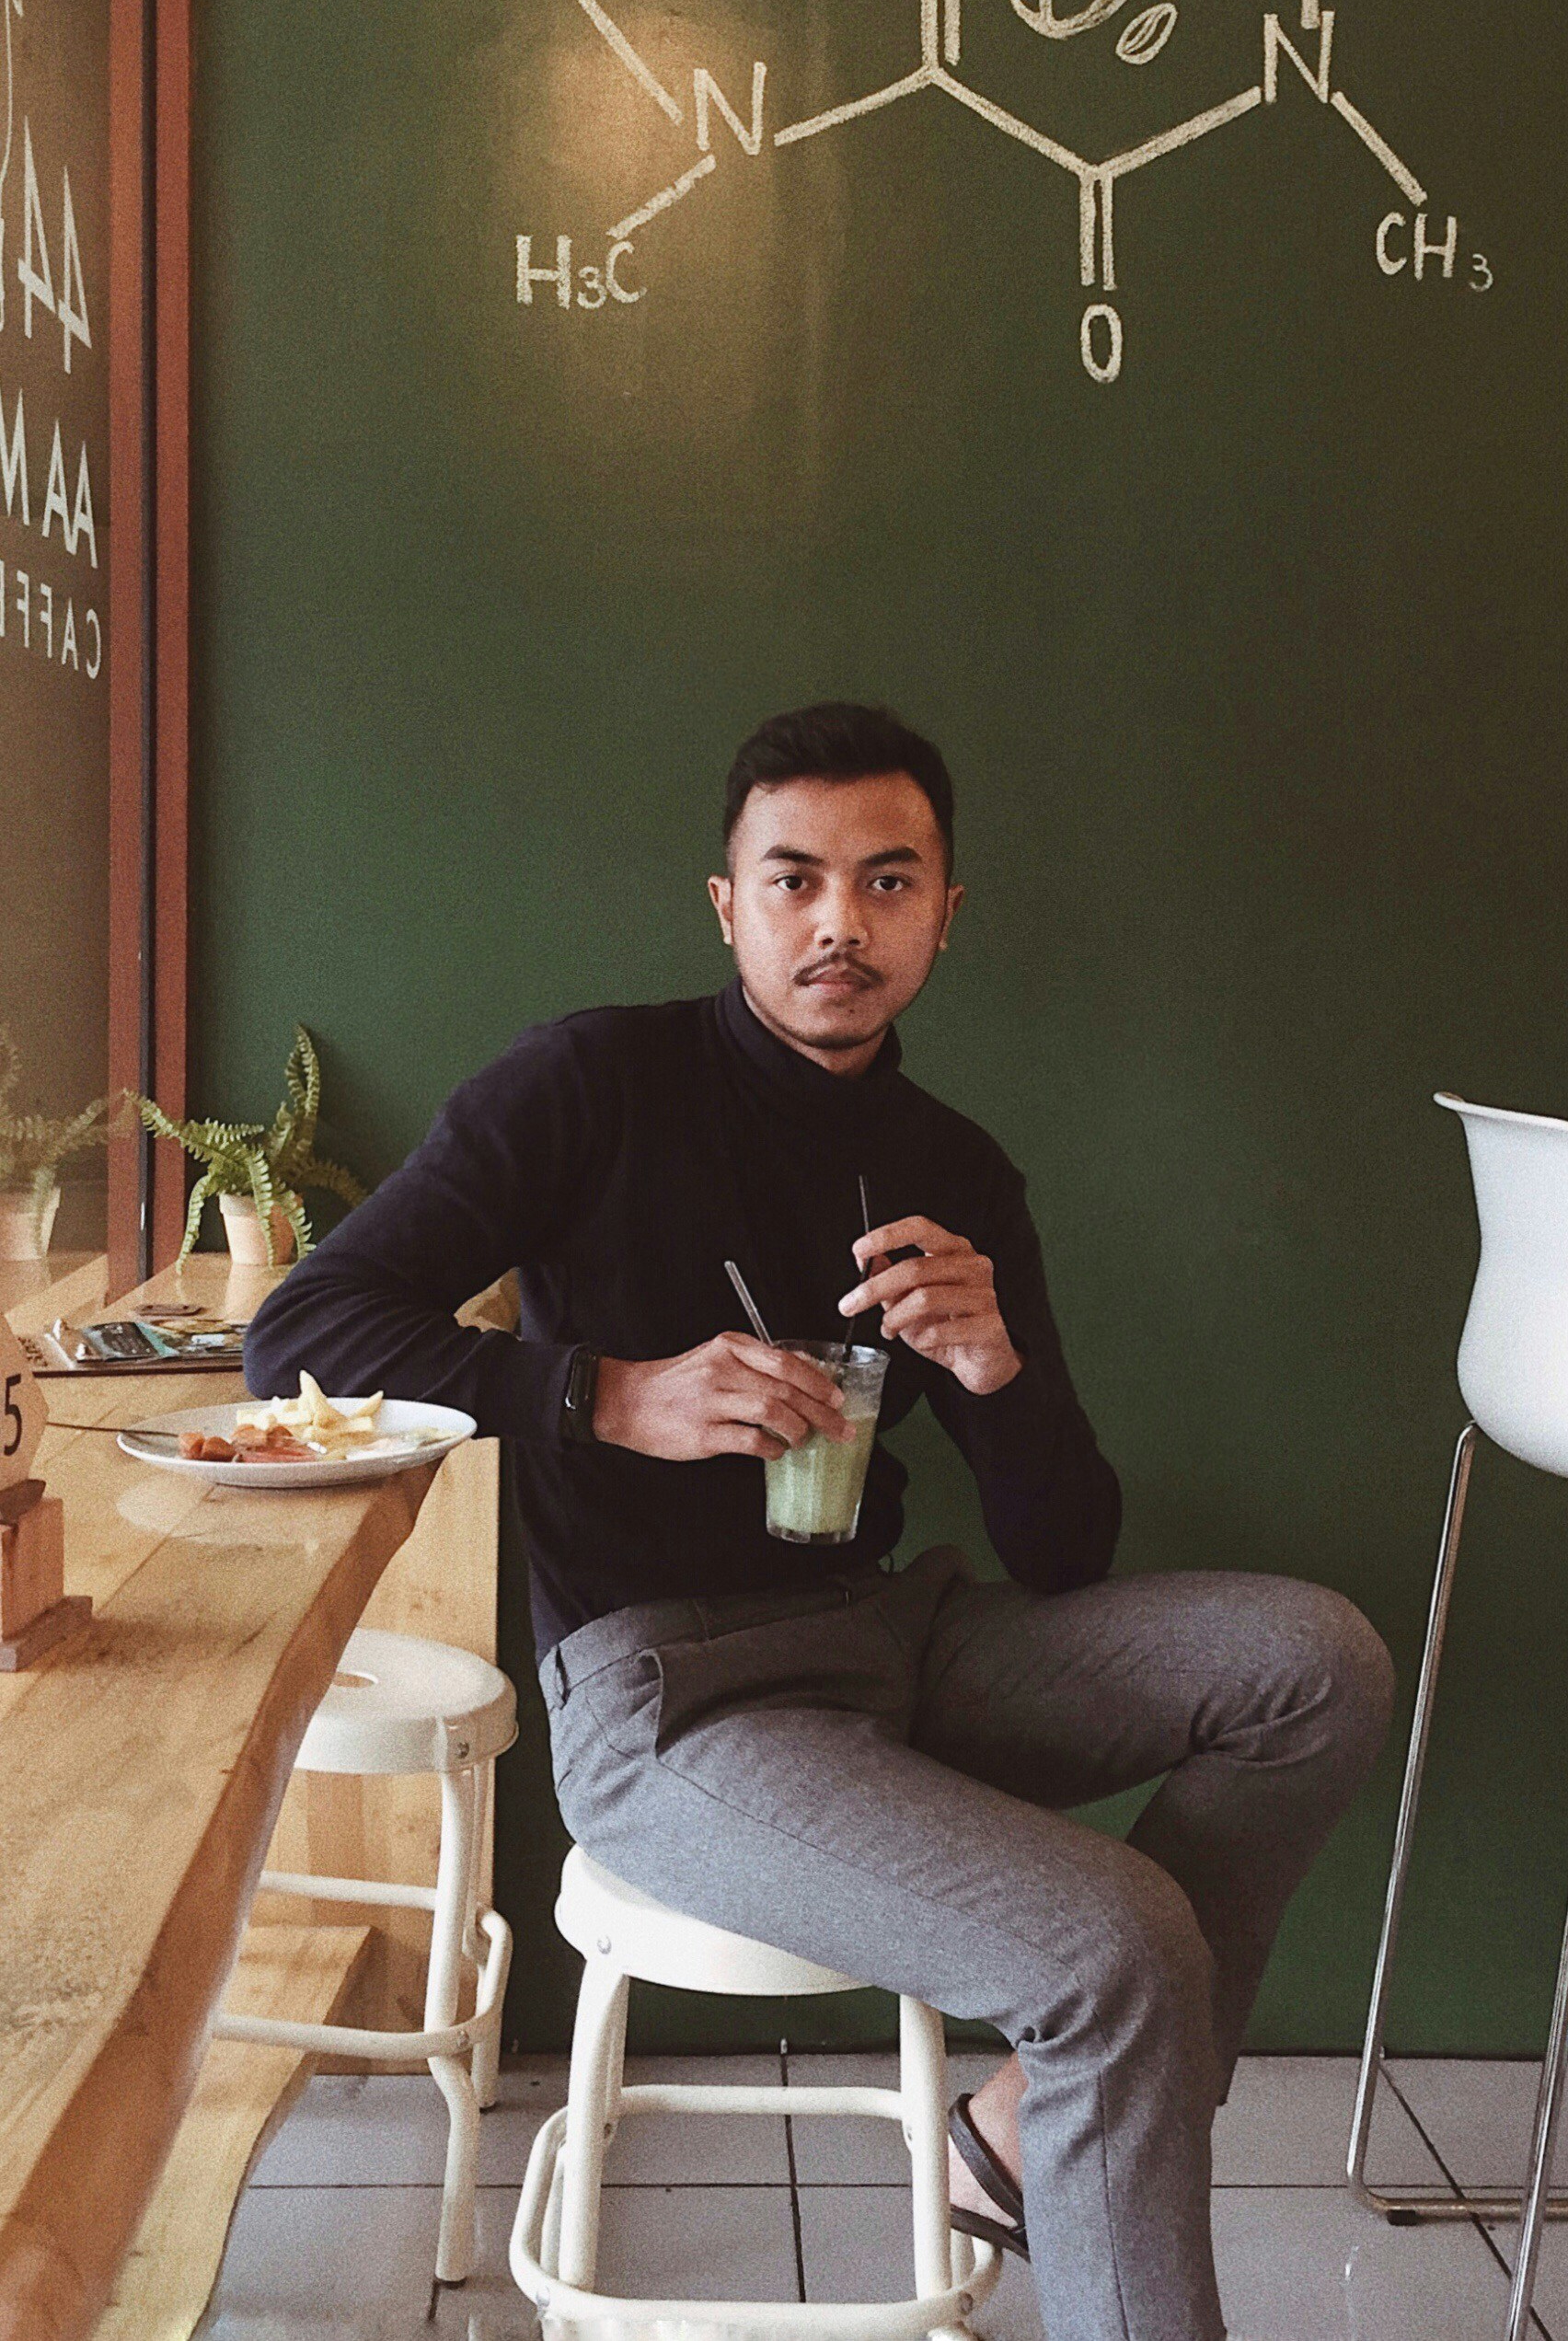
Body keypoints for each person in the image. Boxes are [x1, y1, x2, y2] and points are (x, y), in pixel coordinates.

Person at [246, 700, 1393, 2341]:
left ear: (943, 913)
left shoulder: (957, 1172)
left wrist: (997, 1372)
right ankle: (1081, 2119)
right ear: (729, 905)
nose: (837, 924)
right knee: (1120, 1947)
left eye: (885, 882)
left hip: (896, 1635)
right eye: (793, 881)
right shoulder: (594, 1080)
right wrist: (604, 1392)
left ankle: (1017, 2138)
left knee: (1318, 1664)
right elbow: (305, 1331)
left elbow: (1066, 1553)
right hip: (668, 1698)